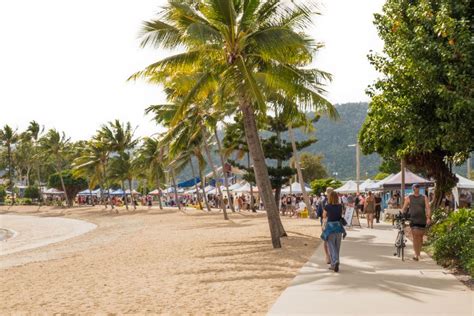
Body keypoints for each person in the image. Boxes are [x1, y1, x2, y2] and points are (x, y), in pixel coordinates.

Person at [401, 183, 431, 261]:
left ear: (419, 189)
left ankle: (418, 253)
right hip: (413, 219)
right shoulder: (409, 197)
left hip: (422, 219)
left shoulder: (424, 197)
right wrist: (401, 215)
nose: (416, 189)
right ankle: (415, 254)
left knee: (420, 237)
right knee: (415, 236)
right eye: (415, 187)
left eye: (418, 187)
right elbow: (404, 208)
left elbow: (428, 208)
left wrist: (428, 218)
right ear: (413, 189)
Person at [321, 191, 346, 272]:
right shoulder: (340, 206)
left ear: (330, 197)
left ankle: (334, 262)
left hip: (330, 228)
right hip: (338, 227)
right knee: (337, 246)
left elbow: (324, 216)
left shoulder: (327, 206)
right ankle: (335, 262)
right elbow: (341, 215)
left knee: (331, 246)